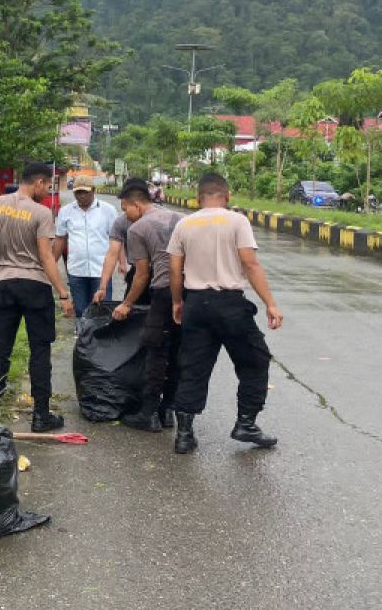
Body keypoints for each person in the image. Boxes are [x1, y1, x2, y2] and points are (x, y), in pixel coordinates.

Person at [167, 173, 283, 454]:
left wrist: (177, 302)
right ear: (227, 196)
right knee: (255, 361)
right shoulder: (236, 220)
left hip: (195, 303)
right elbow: (250, 263)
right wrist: (270, 302)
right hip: (230, 305)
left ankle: (184, 434)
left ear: (198, 198)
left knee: (193, 368)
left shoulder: (184, 223)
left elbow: (174, 269)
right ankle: (246, 423)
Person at [0, 162, 75, 431]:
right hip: (35, 287)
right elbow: (45, 255)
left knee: (0, 350)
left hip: (4, 285)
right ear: (39, 183)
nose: (48, 190)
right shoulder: (42, 213)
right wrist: (63, 293)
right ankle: (41, 416)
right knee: (40, 351)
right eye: (48, 185)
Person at [111, 181, 184, 432]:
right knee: (177, 350)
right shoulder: (181, 218)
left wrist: (126, 304)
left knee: (156, 349)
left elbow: (142, 275)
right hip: (189, 291)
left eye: (125, 209)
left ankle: (148, 412)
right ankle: (169, 410)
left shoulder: (137, 229)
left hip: (164, 291)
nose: (125, 215)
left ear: (137, 204)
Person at [53, 178, 117, 317]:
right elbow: (60, 239)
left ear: (93, 191)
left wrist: (122, 262)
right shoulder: (66, 211)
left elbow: (115, 240)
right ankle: (82, 336)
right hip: (76, 270)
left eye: (85, 192)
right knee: (81, 310)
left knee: (102, 309)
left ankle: (100, 337)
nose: (81, 195)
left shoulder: (108, 210)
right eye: (78, 192)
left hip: (101, 270)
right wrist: (51, 263)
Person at [92, 177, 151, 307]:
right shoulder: (122, 222)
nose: (125, 213)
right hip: (136, 273)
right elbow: (112, 253)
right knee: (130, 315)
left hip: (161, 276)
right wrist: (103, 286)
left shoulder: (162, 219)